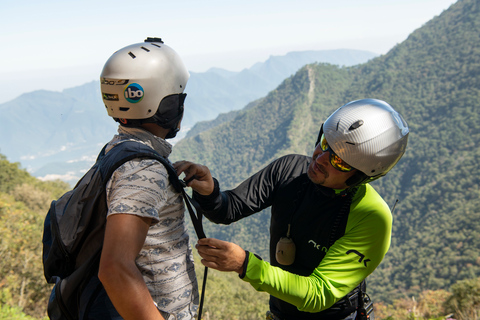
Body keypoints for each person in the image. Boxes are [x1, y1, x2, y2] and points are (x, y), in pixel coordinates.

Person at [174, 99, 409, 320]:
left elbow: (319, 294)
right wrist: (210, 192)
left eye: (339, 161)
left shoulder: (371, 217)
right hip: (279, 311)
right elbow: (229, 209)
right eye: (325, 143)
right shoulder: (290, 170)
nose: (320, 157)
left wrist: (245, 264)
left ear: (360, 176)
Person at [92, 38, 198, 320]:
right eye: (179, 98)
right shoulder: (142, 168)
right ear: (167, 105)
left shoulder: (117, 150)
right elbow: (114, 268)